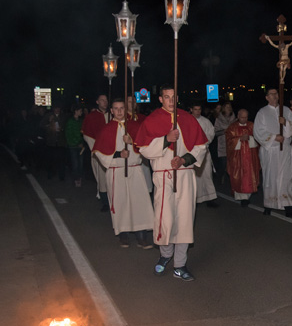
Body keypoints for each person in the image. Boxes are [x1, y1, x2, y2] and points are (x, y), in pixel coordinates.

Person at [135, 85, 208, 282]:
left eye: (173, 97)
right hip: (163, 175)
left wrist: (184, 159)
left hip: (184, 175)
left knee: (184, 220)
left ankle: (180, 264)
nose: (170, 100)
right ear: (160, 99)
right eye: (166, 97)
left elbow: (202, 146)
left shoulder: (187, 118)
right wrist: (166, 140)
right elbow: (143, 148)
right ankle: (166, 254)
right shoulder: (152, 120)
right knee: (165, 219)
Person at [93, 98, 155, 249]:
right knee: (121, 204)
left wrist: (132, 140)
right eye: (116, 108)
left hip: (134, 169)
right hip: (117, 171)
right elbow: (99, 152)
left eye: (122, 108)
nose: (120, 111)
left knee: (139, 202)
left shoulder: (134, 126)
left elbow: (146, 147)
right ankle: (124, 234)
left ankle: (141, 235)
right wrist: (117, 155)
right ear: (112, 111)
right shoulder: (107, 129)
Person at [254, 88, 292, 217]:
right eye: (272, 94)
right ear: (267, 97)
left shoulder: (285, 110)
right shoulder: (262, 112)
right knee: (271, 176)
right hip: (271, 151)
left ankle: (288, 206)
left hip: (285, 150)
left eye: (276, 94)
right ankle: (269, 204)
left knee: (286, 177)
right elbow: (258, 131)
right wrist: (275, 137)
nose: (275, 96)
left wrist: (285, 122)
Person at [225, 109, 260, 206]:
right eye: (242, 117)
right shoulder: (232, 127)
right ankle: (241, 197)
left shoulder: (252, 126)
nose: (244, 119)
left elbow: (259, 138)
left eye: (246, 117)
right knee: (239, 176)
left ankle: (247, 196)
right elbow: (228, 141)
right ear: (238, 116)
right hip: (237, 157)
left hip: (250, 156)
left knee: (249, 174)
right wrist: (239, 139)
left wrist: (250, 138)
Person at [82, 95, 111, 211]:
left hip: (112, 152)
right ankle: (105, 202)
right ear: (97, 102)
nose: (105, 102)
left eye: (106, 100)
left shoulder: (112, 115)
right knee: (102, 177)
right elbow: (87, 135)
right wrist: (97, 149)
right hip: (98, 152)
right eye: (102, 100)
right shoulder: (91, 117)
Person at [190, 103, 219, 207]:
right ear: (191, 109)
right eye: (195, 109)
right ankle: (195, 199)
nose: (198, 111)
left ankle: (210, 198)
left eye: (199, 109)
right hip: (191, 152)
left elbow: (211, 133)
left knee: (207, 174)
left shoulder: (205, 121)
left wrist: (204, 142)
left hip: (204, 151)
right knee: (194, 176)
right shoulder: (187, 121)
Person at [42, 104, 67, 181]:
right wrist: (49, 122)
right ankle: (50, 174)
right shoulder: (48, 116)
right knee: (51, 159)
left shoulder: (63, 116)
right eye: (56, 108)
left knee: (61, 160)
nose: (57, 110)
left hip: (60, 142)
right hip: (51, 142)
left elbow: (66, 126)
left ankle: (61, 175)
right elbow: (42, 125)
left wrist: (61, 129)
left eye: (58, 108)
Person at [213, 101, 236, 185]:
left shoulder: (234, 118)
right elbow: (215, 132)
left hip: (233, 144)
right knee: (223, 163)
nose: (228, 108)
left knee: (233, 164)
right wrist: (224, 131)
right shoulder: (219, 119)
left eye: (230, 107)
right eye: (227, 107)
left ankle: (232, 180)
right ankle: (220, 176)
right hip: (222, 144)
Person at [65, 105, 86, 187]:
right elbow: (69, 135)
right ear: (76, 111)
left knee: (80, 163)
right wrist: (77, 142)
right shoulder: (70, 121)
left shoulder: (81, 121)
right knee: (75, 163)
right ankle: (76, 178)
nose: (81, 112)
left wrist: (82, 142)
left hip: (81, 146)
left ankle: (79, 178)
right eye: (80, 110)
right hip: (73, 146)